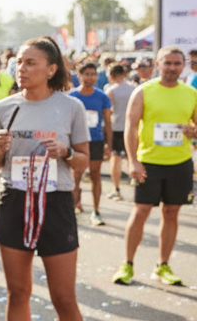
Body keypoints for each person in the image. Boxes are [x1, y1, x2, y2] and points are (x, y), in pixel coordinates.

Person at [0, 36, 98, 321]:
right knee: (18, 292)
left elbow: (84, 160)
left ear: (51, 69)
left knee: (64, 297)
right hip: (15, 200)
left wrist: (66, 152)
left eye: (31, 62)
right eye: (19, 61)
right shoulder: (4, 107)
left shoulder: (71, 106)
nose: (22, 68)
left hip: (55, 202)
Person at [114, 46, 197, 287]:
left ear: (184, 66)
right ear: (157, 64)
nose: (172, 67)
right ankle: (127, 264)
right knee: (141, 211)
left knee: (171, 213)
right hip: (148, 162)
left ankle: (163, 265)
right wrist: (133, 160)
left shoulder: (191, 93)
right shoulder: (143, 91)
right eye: (167, 63)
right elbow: (130, 128)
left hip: (179, 162)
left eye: (177, 63)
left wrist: (194, 131)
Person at [70, 61, 113, 225]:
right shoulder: (72, 96)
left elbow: (108, 122)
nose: (90, 78)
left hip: (95, 141)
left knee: (95, 174)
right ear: (79, 76)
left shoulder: (102, 96)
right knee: (76, 175)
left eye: (93, 74)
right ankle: (74, 206)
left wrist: (109, 145)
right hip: (77, 141)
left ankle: (96, 210)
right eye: (86, 74)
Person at [106, 64, 131, 201]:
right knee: (132, 156)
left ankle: (116, 188)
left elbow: (108, 113)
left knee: (115, 158)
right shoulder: (135, 88)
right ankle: (138, 183)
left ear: (113, 75)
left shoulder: (111, 90)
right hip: (132, 128)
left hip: (116, 127)